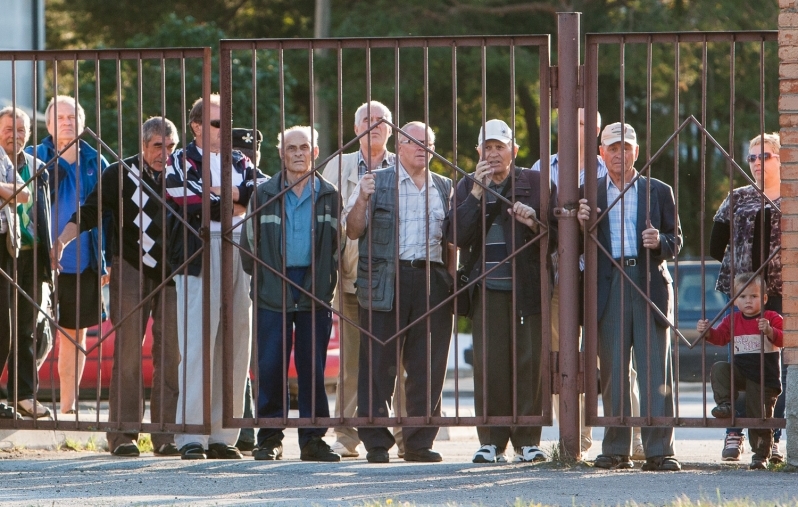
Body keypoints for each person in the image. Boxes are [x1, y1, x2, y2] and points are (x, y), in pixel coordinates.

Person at [53, 116, 181, 456]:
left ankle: (166, 435)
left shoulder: (183, 174)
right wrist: (63, 241)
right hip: (129, 266)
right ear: (143, 145)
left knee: (171, 354)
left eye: (171, 147)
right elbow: (91, 211)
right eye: (158, 147)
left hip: (175, 271)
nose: (164, 154)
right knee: (127, 353)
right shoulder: (120, 173)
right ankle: (123, 436)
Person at [164, 94, 266, 460]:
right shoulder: (180, 159)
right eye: (217, 125)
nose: (226, 132)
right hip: (199, 251)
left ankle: (225, 435)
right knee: (197, 344)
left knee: (237, 340)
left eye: (227, 124)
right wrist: (236, 200)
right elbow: (187, 199)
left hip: (241, 246)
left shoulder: (241, 159)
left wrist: (230, 194)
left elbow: (264, 194)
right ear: (196, 125)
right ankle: (192, 434)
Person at [576, 122, 682, 471]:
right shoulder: (587, 192)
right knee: (614, 371)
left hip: (647, 278)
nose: (619, 154)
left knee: (655, 372)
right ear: (601, 153)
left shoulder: (658, 190)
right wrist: (579, 223)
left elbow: (676, 240)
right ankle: (616, 448)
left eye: (626, 148)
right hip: (608, 283)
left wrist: (660, 243)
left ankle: (659, 451)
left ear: (637, 152)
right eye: (612, 148)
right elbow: (573, 247)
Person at [346, 121, 454, 464]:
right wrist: (362, 198)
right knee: (378, 362)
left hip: (431, 280)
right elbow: (353, 230)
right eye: (415, 142)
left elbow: (451, 243)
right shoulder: (377, 181)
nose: (423, 147)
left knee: (428, 365)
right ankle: (376, 441)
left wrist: (449, 283)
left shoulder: (445, 186)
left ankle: (419, 441)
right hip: (386, 279)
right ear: (401, 146)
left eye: (428, 142)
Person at [450, 119, 548, 463]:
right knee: (490, 365)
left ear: (514, 151)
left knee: (529, 363)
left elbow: (553, 235)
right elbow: (457, 236)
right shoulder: (466, 185)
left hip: (526, 286)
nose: (493, 154)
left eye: (500, 147)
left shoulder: (535, 182)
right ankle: (491, 440)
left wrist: (533, 220)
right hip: (485, 288)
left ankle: (527, 441)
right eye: (487, 147)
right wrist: (476, 193)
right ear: (478, 151)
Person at [240, 125, 341, 462]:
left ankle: (313, 439)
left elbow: (338, 245)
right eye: (291, 148)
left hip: (314, 288)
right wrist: (267, 279)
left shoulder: (330, 194)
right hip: (273, 286)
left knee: (312, 366)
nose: (298, 153)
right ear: (281, 154)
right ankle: (269, 438)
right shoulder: (263, 193)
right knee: (270, 365)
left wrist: (326, 279)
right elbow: (249, 245)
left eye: (304, 147)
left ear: (314, 152)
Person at [321, 100, 407, 459]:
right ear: (355, 129)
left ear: (391, 128)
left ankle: (406, 435)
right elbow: (326, 222)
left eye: (381, 120)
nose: (374, 125)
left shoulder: (405, 162)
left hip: (398, 279)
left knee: (399, 360)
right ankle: (347, 435)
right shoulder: (336, 166)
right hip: (352, 275)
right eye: (367, 120)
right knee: (353, 358)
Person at [27, 95, 108, 415]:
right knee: (31, 331)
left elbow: (108, 215)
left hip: (84, 263)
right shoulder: (34, 157)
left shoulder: (96, 162)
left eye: (72, 116)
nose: (66, 122)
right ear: (48, 124)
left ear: (82, 122)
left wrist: (108, 260)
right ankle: (25, 399)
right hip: (38, 261)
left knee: (76, 336)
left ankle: (67, 408)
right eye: (60, 117)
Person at [533, 108, 606, 456]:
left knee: (607, 357)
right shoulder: (541, 168)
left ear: (596, 129)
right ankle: (573, 440)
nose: (578, 128)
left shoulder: (607, 168)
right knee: (564, 357)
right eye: (572, 121)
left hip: (601, 277)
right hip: (557, 275)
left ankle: (631, 436)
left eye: (586, 122)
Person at [709, 132, 785, 463]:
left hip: (783, 294)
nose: (755, 163)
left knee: (775, 367)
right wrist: (737, 266)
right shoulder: (738, 197)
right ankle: (735, 432)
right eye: (751, 157)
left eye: (763, 156)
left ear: (781, 158)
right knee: (743, 362)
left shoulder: (792, 196)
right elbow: (716, 243)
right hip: (744, 296)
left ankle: (774, 436)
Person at [697, 272, 783, 470]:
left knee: (758, 415)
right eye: (743, 297)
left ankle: (761, 455)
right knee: (720, 368)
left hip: (763, 379)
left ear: (764, 299)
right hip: (741, 373)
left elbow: (784, 340)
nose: (748, 301)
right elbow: (720, 338)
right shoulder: (732, 320)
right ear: (735, 301)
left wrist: (770, 331)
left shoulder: (770, 317)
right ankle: (726, 404)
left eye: (753, 296)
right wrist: (708, 331)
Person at [0, 107, 50, 419]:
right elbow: (18, 196)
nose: (15, 134)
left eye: (21, 130)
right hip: (5, 248)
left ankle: (24, 395)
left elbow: (41, 210)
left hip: (31, 252)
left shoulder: (37, 166)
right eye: (8, 128)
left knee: (29, 327)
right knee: (2, 327)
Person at [231, 126, 262, 455]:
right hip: (217, 262)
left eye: (252, 154)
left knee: (250, 354)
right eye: (242, 153)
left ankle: (250, 429)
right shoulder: (216, 171)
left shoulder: (265, 181)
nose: (248, 159)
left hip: (257, 273)